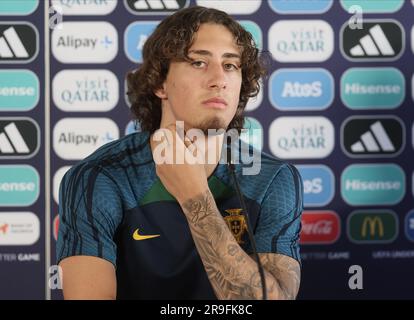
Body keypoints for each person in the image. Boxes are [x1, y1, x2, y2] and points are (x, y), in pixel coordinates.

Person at [57, 6, 303, 300]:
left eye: (231, 65)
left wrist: (195, 197)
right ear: (160, 83)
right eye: (199, 62)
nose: (219, 79)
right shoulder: (100, 178)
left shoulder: (272, 180)